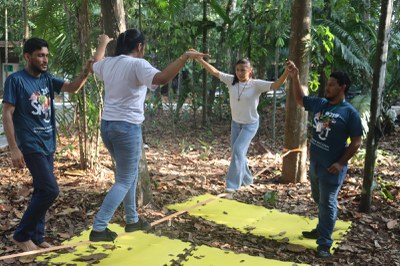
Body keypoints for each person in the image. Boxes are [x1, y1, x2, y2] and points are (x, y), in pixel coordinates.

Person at [89, 30, 209, 242]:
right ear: (139, 47)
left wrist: (102, 43)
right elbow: (162, 78)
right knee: (125, 179)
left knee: (129, 174)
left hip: (108, 127)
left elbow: (93, 64)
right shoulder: (137, 64)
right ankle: (99, 228)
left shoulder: (109, 63)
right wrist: (184, 57)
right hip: (126, 128)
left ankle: (132, 220)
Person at [2, 38, 91, 251]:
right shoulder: (16, 81)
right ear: (27, 57)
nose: (45, 60)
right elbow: (7, 113)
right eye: (40, 55)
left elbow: (73, 87)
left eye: (47, 55)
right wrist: (14, 148)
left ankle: (37, 236)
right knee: (51, 189)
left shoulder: (48, 79)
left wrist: (86, 71)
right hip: (30, 144)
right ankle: (22, 235)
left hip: (48, 143)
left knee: (42, 189)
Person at [286, 61, 362, 258]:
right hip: (316, 163)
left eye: (331, 84)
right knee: (319, 199)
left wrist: (340, 163)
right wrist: (295, 78)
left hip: (332, 168)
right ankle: (322, 229)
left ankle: (324, 244)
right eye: (327, 84)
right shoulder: (321, 104)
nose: (327, 87)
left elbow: (356, 142)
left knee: (327, 202)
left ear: (342, 87)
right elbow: (300, 99)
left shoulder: (349, 113)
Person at [195, 57, 289, 192]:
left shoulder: (256, 84)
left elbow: (276, 85)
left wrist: (286, 71)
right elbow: (214, 72)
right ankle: (247, 179)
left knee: (238, 150)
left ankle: (232, 186)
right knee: (238, 153)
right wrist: (199, 59)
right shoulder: (231, 81)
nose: (239, 73)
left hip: (250, 125)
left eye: (243, 70)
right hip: (235, 124)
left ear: (250, 71)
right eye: (237, 70)